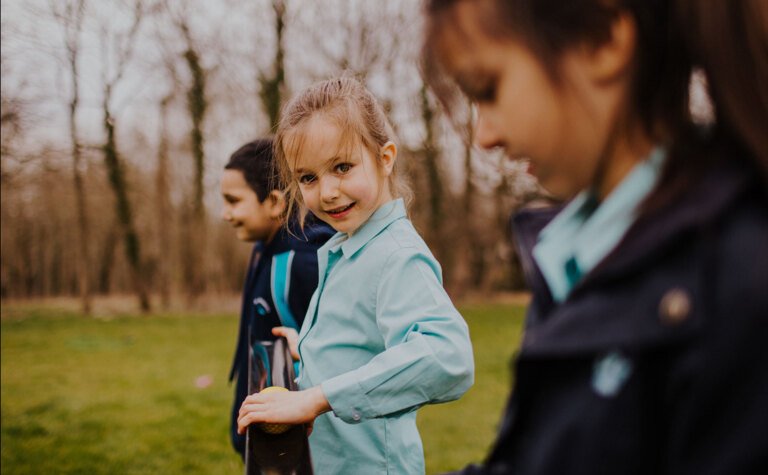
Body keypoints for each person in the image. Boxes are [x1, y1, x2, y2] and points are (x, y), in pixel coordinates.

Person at [421, 0, 768, 473]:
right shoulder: (570, 257)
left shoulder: (739, 286)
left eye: (488, 89)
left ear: (601, 41)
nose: (482, 136)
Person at [236, 77, 475, 473]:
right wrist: (313, 349)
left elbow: (447, 357)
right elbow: (366, 341)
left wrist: (316, 398)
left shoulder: (396, 255)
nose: (327, 191)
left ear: (385, 158)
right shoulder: (347, 247)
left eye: (342, 167)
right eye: (308, 177)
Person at [220, 138, 333, 459]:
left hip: (294, 446)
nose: (225, 214)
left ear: (273, 203)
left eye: (233, 201)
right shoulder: (263, 248)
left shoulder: (301, 262)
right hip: (260, 432)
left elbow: (328, 359)